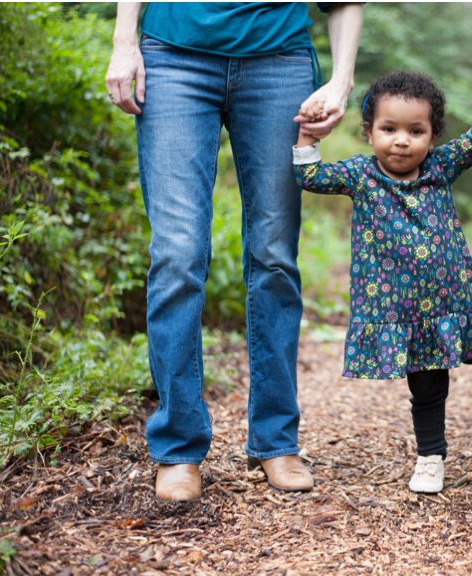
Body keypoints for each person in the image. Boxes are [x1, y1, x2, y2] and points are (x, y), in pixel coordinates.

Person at [105, 2, 364, 502]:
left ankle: (276, 440)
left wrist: (341, 80)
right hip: (174, 57)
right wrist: (124, 41)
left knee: (274, 256)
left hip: (279, 61)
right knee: (177, 254)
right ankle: (178, 448)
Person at [293, 72, 472, 493]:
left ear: (432, 137)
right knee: (428, 385)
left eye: (416, 131)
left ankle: (466, 339)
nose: (401, 141)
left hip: (451, 300)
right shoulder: (361, 175)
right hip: (404, 313)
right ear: (369, 132)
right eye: (389, 129)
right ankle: (431, 457)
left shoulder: (440, 166)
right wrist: (308, 134)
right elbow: (310, 176)